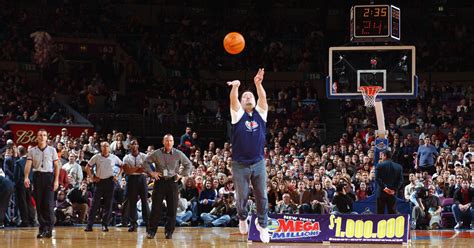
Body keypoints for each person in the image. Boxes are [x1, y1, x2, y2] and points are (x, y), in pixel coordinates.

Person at [227, 68, 270, 243]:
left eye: (250, 96)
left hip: (258, 162)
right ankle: (243, 217)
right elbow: (233, 102)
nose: (248, 98)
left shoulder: (261, 113)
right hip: (239, 163)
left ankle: (263, 226)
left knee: (262, 196)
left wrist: (258, 84)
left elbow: (263, 98)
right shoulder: (237, 115)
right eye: (244, 97)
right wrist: (235, 88)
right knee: (242, 196)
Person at [146, 134, 193, 239]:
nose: (169, 143)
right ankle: (151, 231)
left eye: (171, 141)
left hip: (173, 182)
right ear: (163, 142)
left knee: (172, 209)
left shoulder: (178, 153)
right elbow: (145, 162)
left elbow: (188, 164)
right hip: (160, 182)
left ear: (173, 142)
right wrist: (152, 173)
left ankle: (169, 232)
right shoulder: (157, 153)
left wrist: (181, 175)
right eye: (167, 141)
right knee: (155, 208)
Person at [24, 129, 60, 238]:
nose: (42, 137)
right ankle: (42, 229)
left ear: (46, 137)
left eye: (44, 135)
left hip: (49, 177)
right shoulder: (32, 151)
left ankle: (49, 228)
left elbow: (57, 166)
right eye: (40, 135)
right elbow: (28, 165)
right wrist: (26, 177)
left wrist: (56, 180)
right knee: (39, 204)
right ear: (37, 137)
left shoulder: (52, 150)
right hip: (37, 177)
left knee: (48, 204)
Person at [84, 142, 123, 232]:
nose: (105, 148)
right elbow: (87, 167)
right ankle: (89, 225)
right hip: (99, 182)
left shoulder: (114, 157)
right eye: (103, 146)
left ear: (109, 148)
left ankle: (105, 225)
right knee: (94, 204)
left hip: (110, 182)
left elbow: (122, 166)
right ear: (101, 148)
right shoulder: (96, 157)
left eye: (107, 146)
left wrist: (117, 176)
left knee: (108, 205)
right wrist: (92, 177)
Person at [122, 139, 150, 232]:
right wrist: (138, 168)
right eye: (132, 144)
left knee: (144, 201)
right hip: (130, 179)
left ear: (138, 146)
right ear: (129, 146)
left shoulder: (144, 156)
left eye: (135, 144)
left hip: (141, 179)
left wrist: (133, 169)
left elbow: (145, 169)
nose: (134, 146)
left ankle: (148, 224)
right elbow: (127, 171)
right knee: (132, 202)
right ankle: (133, 224)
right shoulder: (126, 157)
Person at [375, 150, 403, 214]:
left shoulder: (379, 165)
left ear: (385, 156)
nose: (381, 157)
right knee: (392, 213)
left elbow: (377, 178)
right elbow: (400, 180)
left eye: (382, 155)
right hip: (392, 193)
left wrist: (385, 188)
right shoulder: (399, 167)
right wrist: (394, 190)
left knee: (380, 214)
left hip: (381, 193)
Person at [14, 146, 36, 227]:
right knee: (29, 202)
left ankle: (25, 221)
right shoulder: (29, 161)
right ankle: (32, 221)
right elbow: (32, 174)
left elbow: (16, 176)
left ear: (19, 152)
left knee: (22, 203)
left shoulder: (18, 162)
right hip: (29, 184)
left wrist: (16, 184)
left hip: (21, 184)